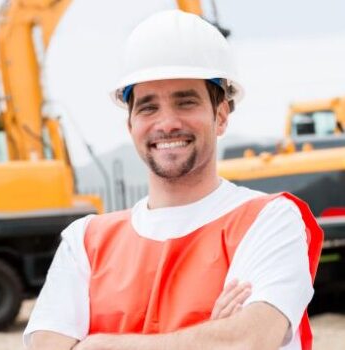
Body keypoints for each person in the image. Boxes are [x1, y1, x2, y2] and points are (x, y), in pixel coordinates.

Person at [24, 10, 323, 350]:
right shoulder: (86, 242)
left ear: (221, 115)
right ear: (130, 124)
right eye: (148, 107)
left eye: (186, 102)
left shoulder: (269, 220)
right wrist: (208, 335)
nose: (166, 123)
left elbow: (250, 339)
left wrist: (96, 345)